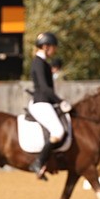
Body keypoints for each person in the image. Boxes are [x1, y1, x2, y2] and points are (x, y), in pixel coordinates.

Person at [27, 32, 66, 179]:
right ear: (45, 46)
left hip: (45, 101)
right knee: (58, 131)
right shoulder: (39, 62)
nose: (54, 51)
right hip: (42, 102)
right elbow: (44, 88)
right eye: (53, 47)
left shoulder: (42, 63)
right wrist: (60, 101)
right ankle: (39, 162)